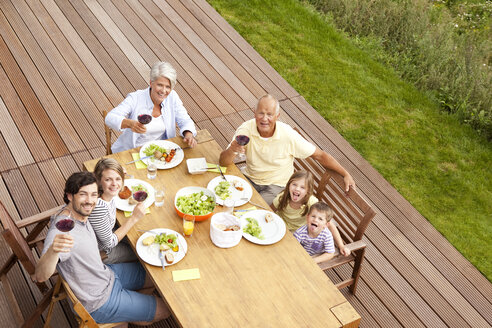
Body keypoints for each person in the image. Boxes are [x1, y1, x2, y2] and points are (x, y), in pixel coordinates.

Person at [35, 172, 170, 324]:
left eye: (93, 195)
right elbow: (40, 276)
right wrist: (53, 250)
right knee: (165, 310)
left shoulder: (75, 210)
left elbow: (101, 187)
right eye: (83, 195)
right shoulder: (62, 231)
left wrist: (114, 177)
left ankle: (128, 312)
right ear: (70, 196)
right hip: (99, 302)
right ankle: (126, 314)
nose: (90, 201)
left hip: (107, 274)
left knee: (152, 275)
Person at [219, 94, 355, 205]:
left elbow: (320, 155)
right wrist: (232, 149)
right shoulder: (245, 130)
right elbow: (223, 162)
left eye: (269, 114)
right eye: (261, 113)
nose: (264, 119)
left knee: (251, 211)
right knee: (226, 200)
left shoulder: (288, 135)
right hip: (250, 178)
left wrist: (345, 174)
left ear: (277, 116)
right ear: (254, 113)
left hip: (277, 187)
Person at [105, 61, 197, 153]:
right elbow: (109, 118)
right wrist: (130, 123)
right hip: (131, 152)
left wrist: (188, 134)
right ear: (151, 83)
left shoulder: (172, 97)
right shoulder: (135, 98)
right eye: (160, 85)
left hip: (158, 152)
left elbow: (185, 120)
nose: (163, 91)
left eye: (168, 87)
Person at [272, 171, 350, 256]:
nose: (297, 189)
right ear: (289, 185)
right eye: (294, 184)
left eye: (302, 187)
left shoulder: (311, 203)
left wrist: (341, 245)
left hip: (297, 234)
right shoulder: (282, 197)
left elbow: (330, 225)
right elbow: (270, 210)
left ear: (308, 191)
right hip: (279, 226)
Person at [89, 158, 145, 264]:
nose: (115, 184)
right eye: (108, 179)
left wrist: (113, 174)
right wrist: (134, 218)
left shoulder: (99, 191)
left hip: (108, 232)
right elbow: (109, 243)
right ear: (99, 181)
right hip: (101, 251)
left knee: (139, 237)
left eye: (118, 179)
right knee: (140, 252)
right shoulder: (98, 207)